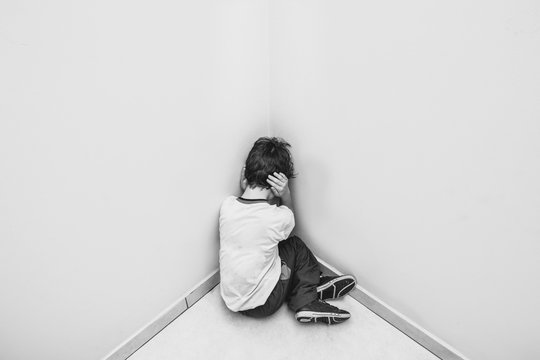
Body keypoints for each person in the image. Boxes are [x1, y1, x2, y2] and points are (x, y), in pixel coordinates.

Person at [219, 137, 356, 324]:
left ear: (246, 173)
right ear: (277, 183)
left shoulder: (227, 206)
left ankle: (310, 286)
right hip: (264, 304)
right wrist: (286, 194)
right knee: (296, 247)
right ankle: (306, 301)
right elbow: (290, 222)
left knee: (273, 251)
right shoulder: (275, 217)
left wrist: (245, 187)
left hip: (232, 298)